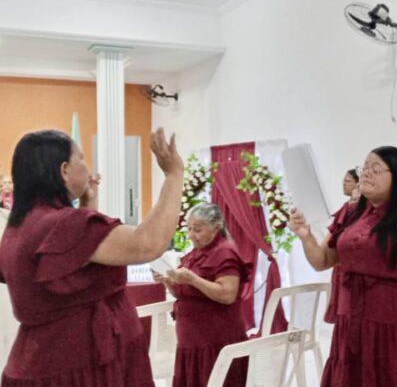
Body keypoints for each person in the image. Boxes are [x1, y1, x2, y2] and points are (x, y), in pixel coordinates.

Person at [0, 128, 183, 386]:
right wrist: (174, 176)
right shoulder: (62, 223)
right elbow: (147, 244)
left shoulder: (21, 225)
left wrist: (88, 205)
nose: (88, 167)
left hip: (44, 357)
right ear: (64, 170)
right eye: (82, 158)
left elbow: (73, 265)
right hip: (79, 364)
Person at [289, 146, 397, 387]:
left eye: (376, 169)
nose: (366, 173)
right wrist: (305, 235)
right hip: (350, 323)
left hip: (395, 327)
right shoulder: (350, 214)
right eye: (365, 168)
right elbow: (322, 261)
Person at [153, 202, 250, 387]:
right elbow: (186, 294)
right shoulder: (197, 252)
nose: (191, 235)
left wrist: (193, 279)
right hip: (192, 340)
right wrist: (169, 281)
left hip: (215, 339)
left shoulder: (224, 252)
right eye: (189, 228)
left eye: (197, 230)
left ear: (216, 227)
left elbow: (227, 295)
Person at [324, 168, 362, 324]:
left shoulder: (357, 208)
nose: (343, 184)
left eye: (348, 181)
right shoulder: (347, 207)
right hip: (340, 263)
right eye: (343, 181)